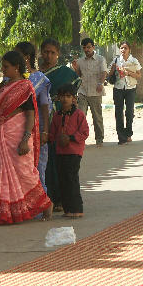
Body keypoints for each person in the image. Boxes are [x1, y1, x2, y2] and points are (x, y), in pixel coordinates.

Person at [0, 51, 53, 225]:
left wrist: (26, 138)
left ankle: (46, 205)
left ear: (16, 67)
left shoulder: (25, 87)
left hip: (18, 134)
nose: (3, 70)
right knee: (3, 174)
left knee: (26, 173)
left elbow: (30, 114)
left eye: (6, 67)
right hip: (3, 134)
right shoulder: (4, 86)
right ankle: (8, 211)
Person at [39, 38, 80, 211]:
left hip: (59, 118)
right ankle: (47, 196)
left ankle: (61, 198)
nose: (49, 55)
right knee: (45, 162)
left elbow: (73, 95)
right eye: (46, 52)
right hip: (40, 120)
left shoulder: (65, 73)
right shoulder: (35, 74)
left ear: (58, 54)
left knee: (60, 160)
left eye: (52, 52)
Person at [13, 41, 52, 192]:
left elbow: (44, 107)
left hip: (36, 130)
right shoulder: (10, 78)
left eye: (18, 55)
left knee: (36, 169)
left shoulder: (39, 79)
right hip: (14, 131)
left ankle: (42, 206)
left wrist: (45, 132)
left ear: (26, 57)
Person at [49, 83, 89, 218]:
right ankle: (68, 210)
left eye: (68, 96)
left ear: (74, 99)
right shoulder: (57, 116)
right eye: (62, 96)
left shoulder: (79, 115)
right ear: (58, 98)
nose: (65, 99)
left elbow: (84, 133)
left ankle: (77, 209)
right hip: (60, 152)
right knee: (63, 180)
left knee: (72, 179)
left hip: (74, 152)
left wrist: (70, 138)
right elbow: (52, 134)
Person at [71, 38, 107, 146]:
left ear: (93, 47)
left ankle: (99, 139)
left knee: (97, 117)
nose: (87, 49)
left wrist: (101, 83)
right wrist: (75, 68)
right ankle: (80, 139)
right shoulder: (80, 61)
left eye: (88, 47)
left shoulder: (101, 59)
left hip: (96, 91)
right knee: (81, 116)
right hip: (83, 91)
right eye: (84, 48)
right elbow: (78, 76)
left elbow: (104, 72)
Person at [107, 41, 142, 145]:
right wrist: (112, 70)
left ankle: (128, 134)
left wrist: (128, 73)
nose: (123, 50)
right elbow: (109, 74)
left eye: (125, 48)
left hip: (130, 88)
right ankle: (121, 137)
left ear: (129, 50)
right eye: (121, 48)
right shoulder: (116, 60)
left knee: (129, 112)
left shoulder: (134, 60)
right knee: (118, 112)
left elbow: (139, 75)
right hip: (118, 88)